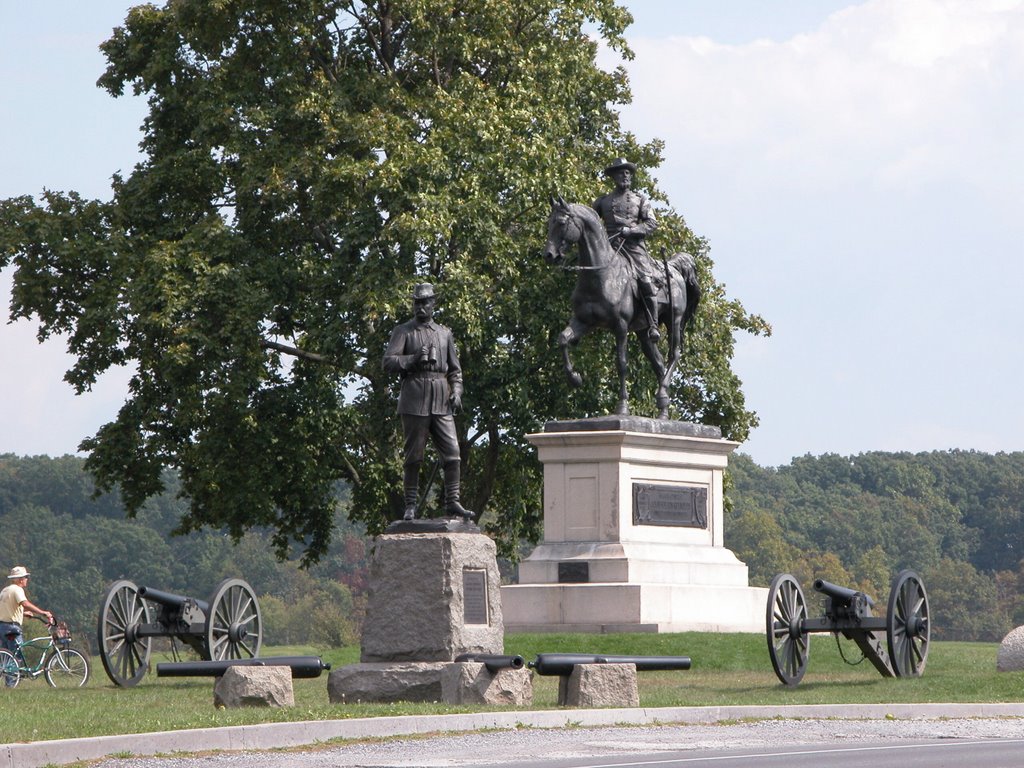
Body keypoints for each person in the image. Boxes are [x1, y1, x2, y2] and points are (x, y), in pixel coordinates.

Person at [383, 283, 474, 522]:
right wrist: (412, 359)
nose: (420, 307)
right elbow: (388, 362)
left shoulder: (445, 334)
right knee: (414, 456)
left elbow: (455, 371)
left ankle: (452, 501)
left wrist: (457, 391)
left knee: (453, 453)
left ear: (434, 304)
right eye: (416, 302)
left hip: (441, 398)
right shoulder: (403, 331)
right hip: (414, 396)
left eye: (425, 302)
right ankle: (410, 505)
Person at [592, 157, 662, 341]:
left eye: (627, 172)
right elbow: (590, 222)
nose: (625, 175)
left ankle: (653, 324)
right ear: (614, 176)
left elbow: (652, 223)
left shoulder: (640, 200)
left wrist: (632, 231)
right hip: (610, 248)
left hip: (634, 248)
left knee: (646, 281)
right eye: (621, 172)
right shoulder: (603, 202)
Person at [0, 566, 52, 655]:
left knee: (7, 657)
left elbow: (6, 608)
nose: (27, 579)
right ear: (20, 579)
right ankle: (15, 669)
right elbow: (25, 603)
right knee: (17, 655)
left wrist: (22, 613)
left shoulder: (5, 590)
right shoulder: (17, 589)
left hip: (2, 627)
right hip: (12, 628)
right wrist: (43, 612)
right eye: (26, 577)